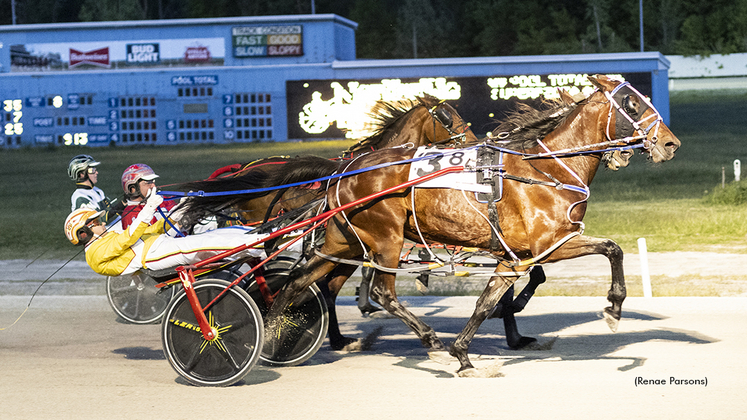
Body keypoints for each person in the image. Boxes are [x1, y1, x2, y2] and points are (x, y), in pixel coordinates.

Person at [64, 188, 266, 277]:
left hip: (158, 244)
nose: (101, 222)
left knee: (216, 236)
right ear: (84, 234)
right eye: (95, 222)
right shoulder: (95, 254)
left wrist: (181, 208)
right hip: (151, 256)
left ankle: (260, 236)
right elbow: (127, 239)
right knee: (202, 245)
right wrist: (148, 208)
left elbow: (152, 229)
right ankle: (263, 244)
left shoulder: (105, 238)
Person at [68, 154, 123, 223]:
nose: (96, 173)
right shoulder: (79, 196)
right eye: (92, 170)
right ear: (81, 174)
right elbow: (97, 220)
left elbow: (109, 209)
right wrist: (120, 206)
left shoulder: (97, 191)